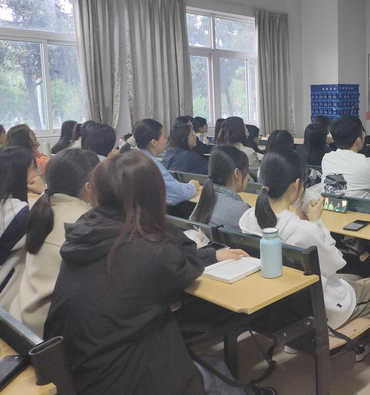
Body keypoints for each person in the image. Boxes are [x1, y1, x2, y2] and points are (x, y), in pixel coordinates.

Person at [43, 151, 250, 395]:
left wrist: (212, 255)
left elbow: (175, 258)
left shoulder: (87, 231)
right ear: (155, 194)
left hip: (80, 373)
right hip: (123, 378)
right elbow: (184, 261)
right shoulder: (150, 250)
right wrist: (159, 222)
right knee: (218, 376)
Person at [239, 150, 370, 376]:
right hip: (317, 310)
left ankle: (361, 342)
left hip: (282, 306)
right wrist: (316, 222)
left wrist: (304, 222)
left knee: (355, 279)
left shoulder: (248, 218)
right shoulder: (302, 230)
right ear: (296, 185)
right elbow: (335, 262)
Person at [9, 148, 99, 336]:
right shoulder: (83, 223)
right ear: (89, 186)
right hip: (48, 331)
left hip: (21, 316)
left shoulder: (42, 207)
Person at [0, 147, 35, 310]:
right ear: (20, 176)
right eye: (33, 169)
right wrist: (45, 192)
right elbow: (45, 228)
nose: (37, 174)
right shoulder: (17, 213)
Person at [133, 119, 200, 206]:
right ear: (154, 142)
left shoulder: (134, 158)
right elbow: (179, 194)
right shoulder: (151, 165)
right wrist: (192, 186)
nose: (166, 140)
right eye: (164, 137)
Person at [322, 115, 370, 199]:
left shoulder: (327, 159)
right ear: (358, 140)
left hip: (331, 206)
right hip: (361, 208)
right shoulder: (367, 165)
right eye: (363, 134)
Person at [190, 146, 250, 231]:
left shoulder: (204, 199)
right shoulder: (242, 210)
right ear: (237, 174)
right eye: (247, 171)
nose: (248, 178)